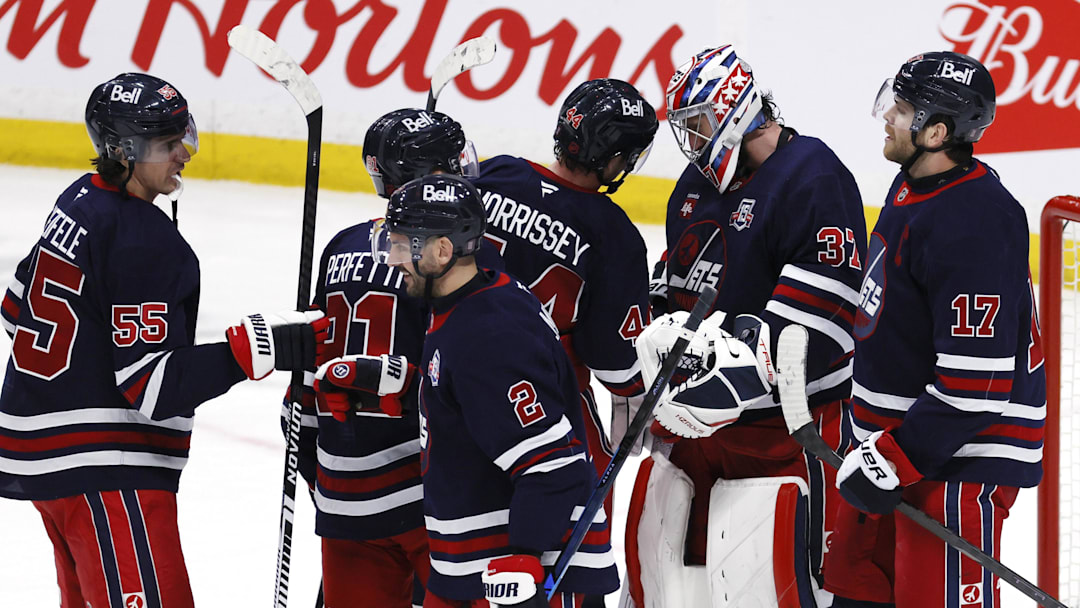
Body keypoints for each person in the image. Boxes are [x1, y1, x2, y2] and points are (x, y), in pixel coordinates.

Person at [0, 72, 324, 608]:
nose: (184, 154)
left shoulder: (78, 199)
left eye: (183, 136)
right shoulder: (146, 240)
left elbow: (15, 311)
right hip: (105, 471)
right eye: (167, 144)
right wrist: (250, 350)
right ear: (124, 152)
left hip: (47, 462)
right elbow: (152, 390)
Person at [625, 45, 866, 607]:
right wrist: (653, 355)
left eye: (700, 123)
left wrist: (729, 377)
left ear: (736, 108)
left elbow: (825, 317)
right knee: (670, 584)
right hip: (693, 429)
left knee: (767, 583)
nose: (693, 139)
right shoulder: (694, 185)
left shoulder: (814, 177)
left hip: (785, 433)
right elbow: (676, 280)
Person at [822, 51, 1046, 608]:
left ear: (937, 131)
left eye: (900, 109)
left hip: (954, 462)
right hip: (897, 449)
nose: (887, 118)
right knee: (855, 591)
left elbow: (978, 385)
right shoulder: (914, 186)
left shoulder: (974, 222)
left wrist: (894, 457)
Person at [358, 173, 620, 607]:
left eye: (403, 245)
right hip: (473, 569)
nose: (392, 258)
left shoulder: (488, 335)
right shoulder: (466, 301)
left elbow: (553, 466)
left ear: (442, 251)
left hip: (517, 576)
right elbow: (476, 406)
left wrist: (526, 558)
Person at [470, 80, 656, 607]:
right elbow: (616, 363)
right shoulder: (613, 234)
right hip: (550, 410)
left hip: (456, 391)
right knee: (562, 559)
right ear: (613, 157)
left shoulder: (495, 174)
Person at [288, 107, 480, 608]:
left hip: (343, 487)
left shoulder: (340, 247)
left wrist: (311, 457)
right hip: (421, 491)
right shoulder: (447, 255)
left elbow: (306, 372)